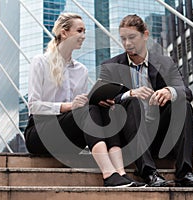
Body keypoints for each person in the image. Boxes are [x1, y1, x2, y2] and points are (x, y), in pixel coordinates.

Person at [24, 13, 146, 188]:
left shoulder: (81, 70)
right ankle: (108, 174)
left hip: (69, 134)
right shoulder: (40, 62)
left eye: (85, 31)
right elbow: (34, 105)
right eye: (79, 30)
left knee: (104, 109)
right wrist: (69, 106)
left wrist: (96, 101)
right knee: (85, 110)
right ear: (64, 33)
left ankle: (120, 173)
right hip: (40, 132)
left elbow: (82, 108)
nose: (84, 35)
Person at [99, 14, 193, 188]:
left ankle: (185, 174)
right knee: (132, 101)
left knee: (183, 105)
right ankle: (148, 173)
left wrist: (169, 91)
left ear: (145, 35)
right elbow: (102, 98)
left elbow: (186, 91)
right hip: (129, 139)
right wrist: (129, 94)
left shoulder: (165, 62)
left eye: (132, 37)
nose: (127, 44)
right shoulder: (111, 66)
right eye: (123, 39)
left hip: (161, 137)